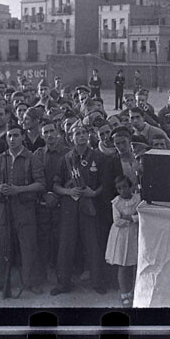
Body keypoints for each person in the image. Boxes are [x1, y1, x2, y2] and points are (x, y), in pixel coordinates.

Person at [0, 122, 45, 295]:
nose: (12, 139)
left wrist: (19, 189)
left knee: (28, 246)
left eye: (16, 135)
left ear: (23, 137)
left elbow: (41, 184)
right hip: (2, 209)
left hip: (24, 208)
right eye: (9, 136)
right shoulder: (0, 158)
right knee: (1, 246)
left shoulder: (32, 158)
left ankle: (31, 282)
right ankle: (0, 281)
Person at [51, 122, 108, 295]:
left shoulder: (98, 157)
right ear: (71, 137)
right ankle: (63, 283)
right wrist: (68, 191)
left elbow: (105, 184)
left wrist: (94, 193)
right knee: (66, 244)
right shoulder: (66, 159)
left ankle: (98, 281)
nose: (81, 136)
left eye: (84, 132)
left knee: (92, 244)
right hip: (70, 206)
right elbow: (55, 186)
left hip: (89, 205)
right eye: (77, 133)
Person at [33, 120, 67, 285]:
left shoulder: (67, 153)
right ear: (41, 135)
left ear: (58, 133)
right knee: (44, 238)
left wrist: (58, 196)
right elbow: (34, 177)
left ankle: (60, 272)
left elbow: (70, 179)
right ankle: (44, 272)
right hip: (43, 203)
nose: (49, 135)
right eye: (45, 132)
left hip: (62, 203)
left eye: (51, 131)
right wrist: (45, 194)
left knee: (60, 238)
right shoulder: (38, 154)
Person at [105, 175, 142, 306]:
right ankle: (124, 293)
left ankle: (133, 291)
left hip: (134, 234)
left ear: (130, 186)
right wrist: (131, 219)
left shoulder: (137, 199)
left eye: (125, 187)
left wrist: (131, 218)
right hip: (121, 236)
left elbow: (141, 216)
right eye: (119, 188)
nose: (122, 190)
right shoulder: (116, 202)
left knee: (134, 264)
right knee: (122, 265)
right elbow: (117, 221)